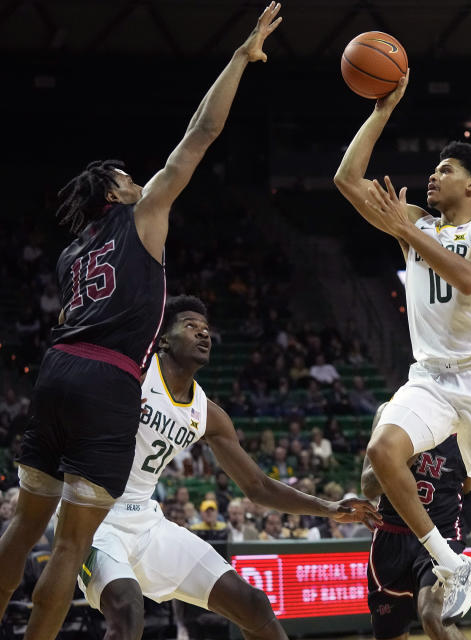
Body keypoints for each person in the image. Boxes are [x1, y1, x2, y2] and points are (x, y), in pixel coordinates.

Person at [0, 6, 286, 637]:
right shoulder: (143, 211)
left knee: (22, 529)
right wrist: (239, 59)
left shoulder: (73, 252)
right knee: (72, 545)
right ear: (116, 191)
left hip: (54, 370)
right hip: (107, 379)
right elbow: (201, 134)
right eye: (128, 177)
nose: (138, 180)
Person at [334, 73, 471, 639]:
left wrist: (408, 230)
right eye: (434, 169)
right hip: (430, 377)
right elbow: (346, 179)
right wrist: (382, 109)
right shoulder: (417, 229)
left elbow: (470, 277)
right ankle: (451, 564)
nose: (433, 174)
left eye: (446, 169)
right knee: (383, 449)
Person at [76, 295, 380, 640]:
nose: (203, 334)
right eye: (190, 326)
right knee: (127, 611)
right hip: (93, 516)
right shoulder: (137, 374)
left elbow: (258, 487)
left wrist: (328, 507)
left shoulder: (207, 414)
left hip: (145, 521)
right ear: (163, 339)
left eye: (206, 330)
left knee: (252, 604)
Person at [361, 405, 471, 640]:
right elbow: (368, 486)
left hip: (442, 536)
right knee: (390, 633)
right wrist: (406, 453)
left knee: (433, 616)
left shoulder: (466, 432)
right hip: (391, 539)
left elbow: (464, 495)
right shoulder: (390, 412)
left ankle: (463, 570)